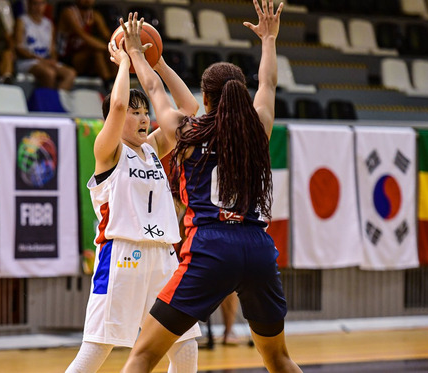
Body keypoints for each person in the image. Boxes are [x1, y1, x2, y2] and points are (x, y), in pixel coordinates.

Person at [119, 1, 303, 372]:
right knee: (279, 359)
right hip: (257, 247)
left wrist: (137, 54)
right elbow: (267, 83)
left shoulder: (185, 133)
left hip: (211, 247)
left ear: (205, 99)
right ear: (239, 93)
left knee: (143, 356)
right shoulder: (258, 130)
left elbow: (153, 88)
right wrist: (269, 39)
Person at [63, 27, 201, 373]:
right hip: (122, 255)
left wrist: (159, 63)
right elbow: (119, 102)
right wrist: (124, 62)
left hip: (164, 255)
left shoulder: (153, 149)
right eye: (134, 113)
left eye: (145, 113)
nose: (143, 118)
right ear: (113, 119)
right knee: (96, 350)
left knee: (185, 346)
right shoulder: (107, 152)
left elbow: (188, 107)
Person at [14, 0, 76, 90]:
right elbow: (19, 48)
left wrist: (53, 60)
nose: (38, 7)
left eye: (42, 4)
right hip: (28, 61)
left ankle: (56, 99)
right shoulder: (22, 21)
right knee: (49, 73)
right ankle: (49, 100)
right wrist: (41, 60)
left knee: (70, 73)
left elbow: (52, 49)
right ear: (29, 4)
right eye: (35, 3)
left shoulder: (49, 24)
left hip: (46, 60)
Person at [56, 0, 116, 88]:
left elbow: (108, 36)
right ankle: (109, 85)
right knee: (97, 52)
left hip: (84, 56)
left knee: (113, 52)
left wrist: (115, 47)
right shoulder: (68, 13)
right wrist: (107, 48)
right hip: (67, 58)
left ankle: (115, 81)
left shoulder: (95, 15)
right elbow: (84, 37)